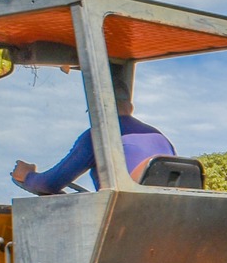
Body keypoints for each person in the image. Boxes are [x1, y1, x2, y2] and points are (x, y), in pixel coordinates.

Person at [11, 64, 175, 194]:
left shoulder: (101, 135)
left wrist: (27, 175)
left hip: (124, 222)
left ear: (97, 107)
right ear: (130, 107)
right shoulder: (160, 138)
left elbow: (51, 183)